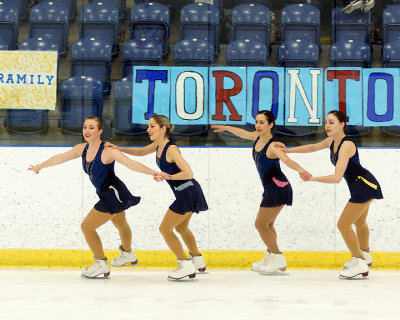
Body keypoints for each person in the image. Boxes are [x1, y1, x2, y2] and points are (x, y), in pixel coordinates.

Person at [28, 116, 161, 279]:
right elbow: (60, 157)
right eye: (85, 127)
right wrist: (40, 166)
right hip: (110, 193)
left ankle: (101, 263)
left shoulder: (108, 150)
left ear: (100, 131)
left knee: (87, 227)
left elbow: (130, 163)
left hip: (113, 195)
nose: (87, 131)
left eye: (91, 128)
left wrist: (153, 173)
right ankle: (128, 254)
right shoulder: (81, 148)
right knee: (121, 224)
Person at [282, 110, 383, 279]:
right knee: (359, 222)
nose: (327, 126)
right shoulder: (332, 141)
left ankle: (359, 261)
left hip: (364, 186)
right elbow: (313, 147)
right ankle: (365, 256)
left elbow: (336, 178)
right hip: (361, 185)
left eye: (331, 122)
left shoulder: (346, 145)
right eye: (326, 122)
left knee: (343, 225)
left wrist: (312, 178)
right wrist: (289, 151)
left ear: (342, 125)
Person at [211, 110, 310, 275]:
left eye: (262, 122)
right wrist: (226, 127)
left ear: (270, 125)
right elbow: (242, 133)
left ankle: (278, 257)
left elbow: (286, 159)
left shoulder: (272, 145)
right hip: (271, 187)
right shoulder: (256, 138)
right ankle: (271, 256)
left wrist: (300, 169)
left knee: (260, 224)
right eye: (256, 122)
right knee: (268, 224)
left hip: (278, 188)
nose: (258, 125)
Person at [117, 114, 208, 280]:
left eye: (152, 126)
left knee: (165, 229)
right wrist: (119, 149)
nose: (148, 129)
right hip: (187, 192)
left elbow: (188, 172)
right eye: (148, 126)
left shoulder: (171, 149)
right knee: (180, 228)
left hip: (187, 192)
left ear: (163, 128)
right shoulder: (159, 145)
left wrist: (168, 177)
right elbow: (142, 151)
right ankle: (198, 260)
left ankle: (185, 264)